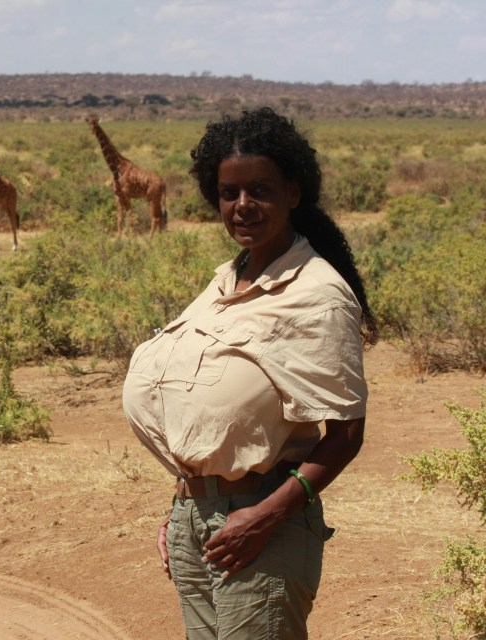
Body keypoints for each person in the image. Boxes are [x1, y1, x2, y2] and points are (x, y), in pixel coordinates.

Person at [122, 106, 378, 639]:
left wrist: (262, 517)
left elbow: (346, 434)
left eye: (259, 190)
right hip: (200, 522)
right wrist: (188, 504)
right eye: (228, 193)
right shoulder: (226, 281)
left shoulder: (316, 294)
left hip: (264, 525)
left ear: (293, 191)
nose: (243, 207)